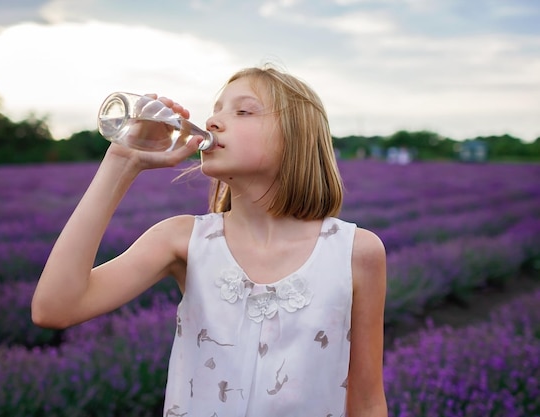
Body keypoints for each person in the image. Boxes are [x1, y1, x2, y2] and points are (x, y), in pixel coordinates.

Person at [32, 64, 388, 417]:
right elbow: (55, 308)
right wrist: (122, 161)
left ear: (297, 136)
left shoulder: (355, 252)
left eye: (243, 111)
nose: (213, 122)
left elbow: (368, 401)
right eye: (215, 110)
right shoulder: (183, 239)